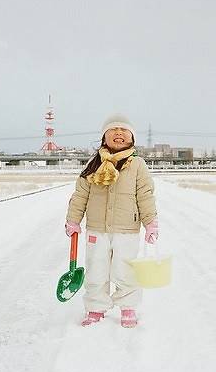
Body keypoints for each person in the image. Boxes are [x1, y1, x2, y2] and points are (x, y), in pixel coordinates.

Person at [65, 114, 158, 328]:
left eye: (124, 130)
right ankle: (96, 308)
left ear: (132, 138)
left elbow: (145, 194)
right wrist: (73, 220)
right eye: (112, 130)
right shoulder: (94, 163)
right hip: (97, 229)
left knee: (126, 270)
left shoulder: (137, 165)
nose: (118, 133)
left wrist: (150, 222)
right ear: (103, 138)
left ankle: (127, 307)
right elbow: (80, 194)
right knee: (96, 270)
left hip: (127, 229)